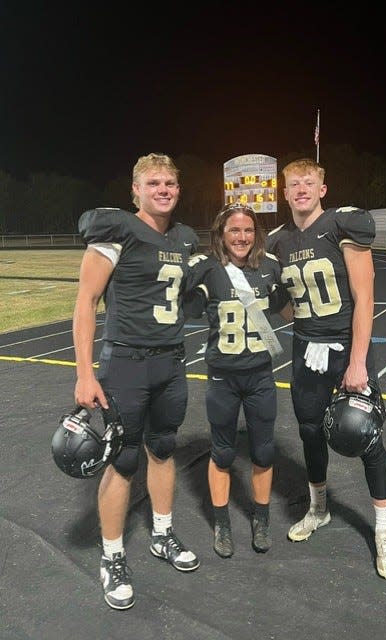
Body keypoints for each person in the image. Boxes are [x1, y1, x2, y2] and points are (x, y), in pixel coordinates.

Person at [73, 152, 200, 611]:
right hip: (125, 363)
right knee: (123, 461)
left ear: (178, 189)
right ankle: (112, 556)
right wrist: (85, 372)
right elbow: (86, 301)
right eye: (153, 183)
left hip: (171, 362)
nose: (163, 189)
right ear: (136, 191)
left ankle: (162, 534)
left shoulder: (186, 238)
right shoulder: (117, 230)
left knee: (163, 447)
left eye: (170, 182)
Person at [265, 158, 386, 579]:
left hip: (346, 350)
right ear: (284, 193)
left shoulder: (342, 226)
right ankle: (319, 508)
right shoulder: (277, 240)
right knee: (309, 431)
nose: (301, 189)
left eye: (309, 182)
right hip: (307, 351)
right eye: (293, 184)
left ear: (322, 189)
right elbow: (278, 299)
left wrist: (357, 361)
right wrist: (297, 320)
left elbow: (364, 298)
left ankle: (383, 530)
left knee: (363, 435)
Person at [184, 202, 290, 559]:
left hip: (260, 375)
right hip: (223, 377)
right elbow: (183, 303)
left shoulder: (271, 267)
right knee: (224, 453)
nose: (241, 237)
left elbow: (286, 303)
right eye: (234, 230)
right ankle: (223, 523)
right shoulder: (208, 268)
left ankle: (260, 519)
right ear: (220, 234)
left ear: (256, 234)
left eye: (247, 230)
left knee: (262, 451)